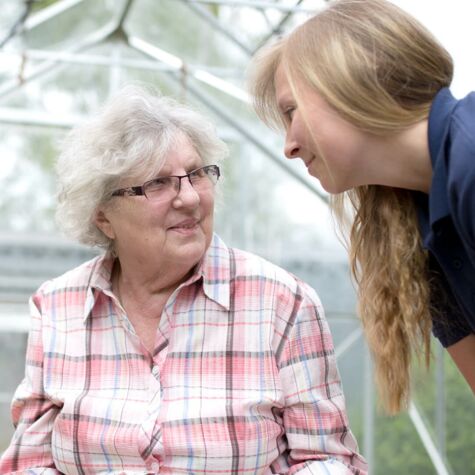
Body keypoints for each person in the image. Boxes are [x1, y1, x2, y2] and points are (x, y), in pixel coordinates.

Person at [0, 85, 367, 474]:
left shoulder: (282, 302)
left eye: (197, 174)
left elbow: (327, 460)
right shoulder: (57, 306)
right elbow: (29, 465)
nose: (190, 197)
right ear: (103, 216)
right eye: (157, 183)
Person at [248, 0, 475, 414]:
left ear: (353, 78)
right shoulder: (416, 230)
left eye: (291, 111)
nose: (289, 146)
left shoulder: (471, 155)